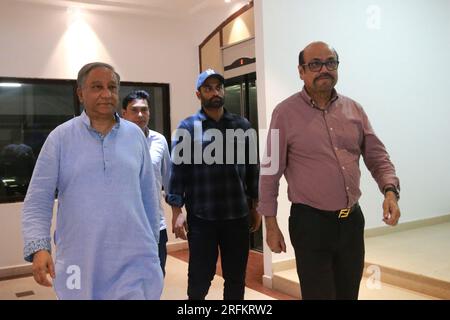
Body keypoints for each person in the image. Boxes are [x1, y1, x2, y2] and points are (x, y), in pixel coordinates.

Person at [258, 41, 401, 300]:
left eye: (330, 63)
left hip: (351, 223)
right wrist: (270, 224)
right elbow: (270, 172)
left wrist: (390, 191)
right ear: (301, 71)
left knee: (349, 294)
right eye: (315, 64)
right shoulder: (285, 113)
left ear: (337, 67)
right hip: (310, 224)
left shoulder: (354, 110)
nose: (324, 69)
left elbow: (377, 156)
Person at [22, 62, 163, 299]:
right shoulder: (61, 138)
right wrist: (39, 247)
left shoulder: (135, 136)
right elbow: (38, 199)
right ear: (80, 93)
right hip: (79, 259)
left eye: (112, 87)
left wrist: (152, 246)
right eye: (97, 87)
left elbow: (149, 196)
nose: (106, 94)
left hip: (133, 257)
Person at [166, 69, 260, 300]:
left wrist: (256, 205)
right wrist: (177, 211)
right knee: (200, 277)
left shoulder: (243, 126)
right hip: (201, 218)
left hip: (237, 215)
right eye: (208, 88)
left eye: (218, 87)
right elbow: (178, 172)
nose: (214, 92)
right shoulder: (187, 128)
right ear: (199, 94)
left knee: (236, 277)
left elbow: (252, 170)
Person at [122, 90, 170, 276]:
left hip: (155, 225)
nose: (140, 115)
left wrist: (176, 211)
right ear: (124, 113)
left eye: (144, 110)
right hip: (125, 227)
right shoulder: (113, 142)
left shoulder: (159, 141)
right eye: (134, 110)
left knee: (156, 276)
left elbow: (169, 179)